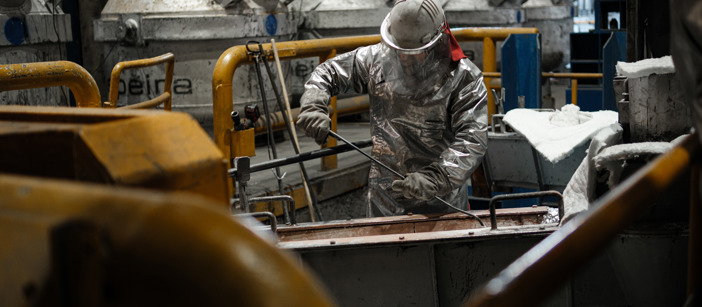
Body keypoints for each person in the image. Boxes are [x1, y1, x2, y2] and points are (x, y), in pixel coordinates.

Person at [296, 0, 488, 217]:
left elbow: (472, 138)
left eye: (414, 52)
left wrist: (437, 177)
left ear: (437, 43)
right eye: (400, 51)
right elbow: (327, 72)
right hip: (384, 201)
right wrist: (314, 104)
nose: (405, 58)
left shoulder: (464, 78)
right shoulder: (377, 61)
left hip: (442, 203)